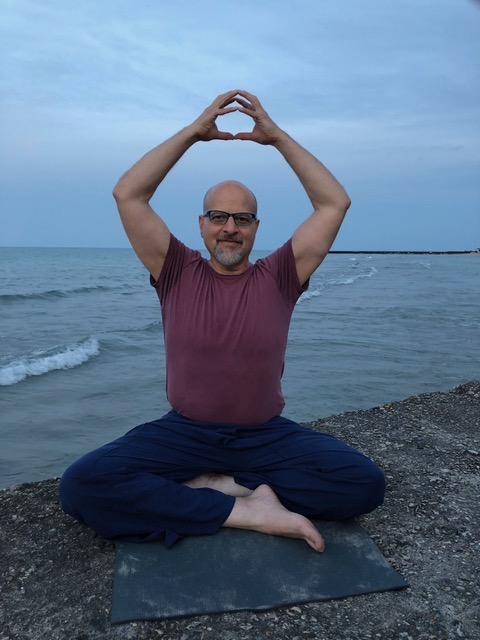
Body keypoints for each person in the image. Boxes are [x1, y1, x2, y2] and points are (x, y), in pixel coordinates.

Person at [60, 90, 385, 552]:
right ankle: (245, 508)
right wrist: (194, 133)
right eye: (218, 216)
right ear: (201, 224)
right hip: (184, 433)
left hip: (265, 437)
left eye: (242, 218)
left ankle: (216, 485)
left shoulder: (280, 275)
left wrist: (277, 139)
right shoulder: (174, 268)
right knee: (81, 485)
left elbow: (333, 203)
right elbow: (128, 193)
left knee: (363, 484)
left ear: (255, 227)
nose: (229, 227)